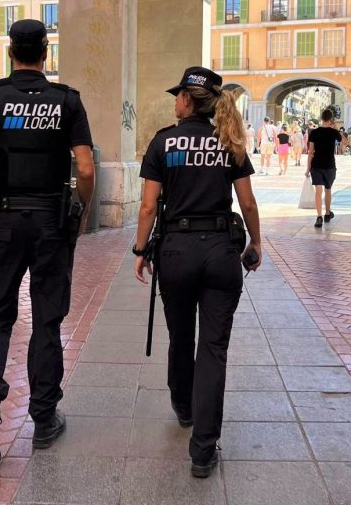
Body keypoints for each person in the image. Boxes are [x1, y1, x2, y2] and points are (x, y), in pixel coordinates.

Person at [0, 19, 95, 466]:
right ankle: (44, 419)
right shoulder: (67, 101)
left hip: (2, 222)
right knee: (47, 319)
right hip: (51, 221)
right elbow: (85, 168)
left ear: (11, 51)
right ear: (45, 52)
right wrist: (79, 214)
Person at [134, 66, 261, 479]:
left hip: (176, 252)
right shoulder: (230, 140)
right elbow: (248, 202)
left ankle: (183, 405)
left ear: (187, 101)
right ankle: (204, 450)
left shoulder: (163, 142)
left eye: (178, 96)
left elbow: (149, 207)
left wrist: (140, 249)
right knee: (213, 348)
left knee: (180, 335)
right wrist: (255, 244)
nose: (175, 101)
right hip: (221, 251)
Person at [305, 108, 349, 228]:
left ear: (320, 118)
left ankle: (319, 216)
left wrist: (308, 168)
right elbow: (346, 142)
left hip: (316, 165)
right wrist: (335, 128)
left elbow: (310, 152)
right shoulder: (333, 132)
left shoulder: (314, 132)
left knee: (318, 191)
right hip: (330, 165)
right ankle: (327, 213)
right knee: (328, 190)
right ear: (330, 119)